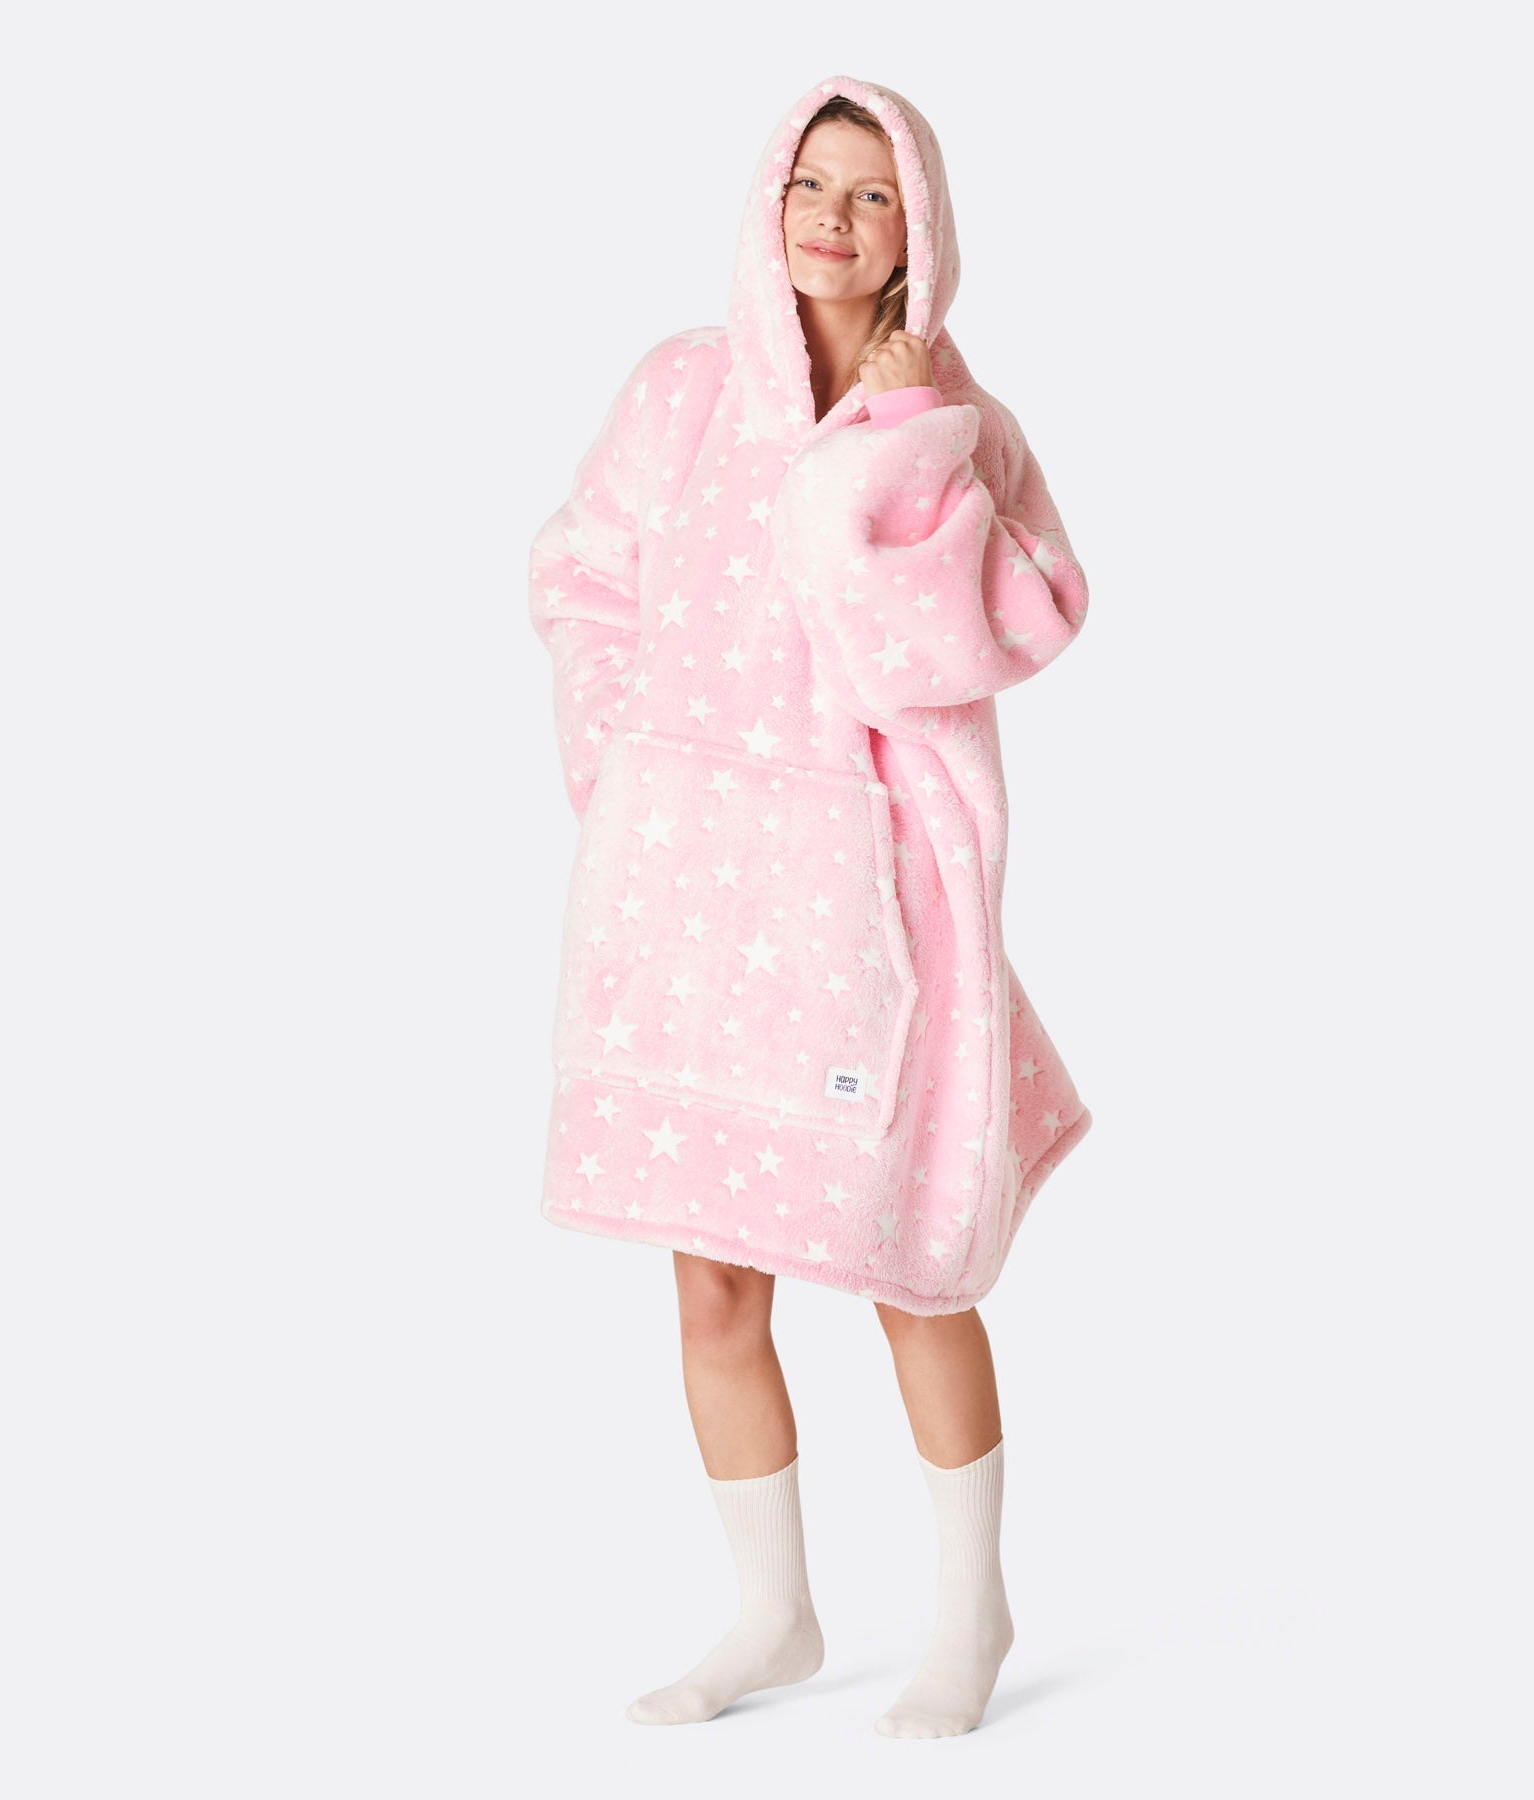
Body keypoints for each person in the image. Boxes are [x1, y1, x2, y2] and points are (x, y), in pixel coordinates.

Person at [527, 74, 1094, 1738]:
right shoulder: (683, 389)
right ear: (769, 203)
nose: (833, 223)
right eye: (810, 186)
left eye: (871, 195)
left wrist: (902, 447)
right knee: (713, 1279)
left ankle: (972, 1612)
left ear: (920, 227)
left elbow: (977, 637)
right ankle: (770, 1615)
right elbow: (582, 575)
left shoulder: (960, 426)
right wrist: (626, 759)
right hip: (692, 885)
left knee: (916, 1260)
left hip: (874, 895)